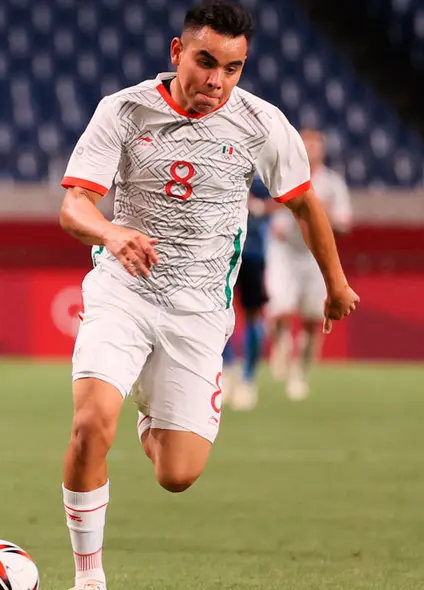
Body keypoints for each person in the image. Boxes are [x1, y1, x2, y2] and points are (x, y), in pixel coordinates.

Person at [56, 2, 359, 589]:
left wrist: (337, 284)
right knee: (91, 424)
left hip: (198, 314)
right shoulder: (123, 110)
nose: (217, 80)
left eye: (233, 67)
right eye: (205, 61)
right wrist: (112, 232)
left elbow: (303, 203)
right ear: (177, 52)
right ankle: (88, 578)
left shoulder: (262, 124)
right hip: (124, 293)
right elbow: (73, 207)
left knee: (177, 474)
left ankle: (152, 407)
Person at [266, 128, 352, 400]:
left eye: (316, 144)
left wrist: (324, 217)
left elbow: (343, 222)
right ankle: (280, 344)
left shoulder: (332, 183)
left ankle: (300, 373)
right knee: (281, 308)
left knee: (313, 318)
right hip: (284, 252)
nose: (311, 149)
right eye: (306, 144)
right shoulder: (284, 173)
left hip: (315, 255)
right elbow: (267, 207)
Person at [221, 176, 276, 410]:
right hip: (221, 252)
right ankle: (226, 370)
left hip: (252, 251)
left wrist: (260, 207)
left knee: (253, 314)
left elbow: (284, 198)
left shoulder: (261, 177)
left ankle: (248, 379)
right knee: (219, 311)